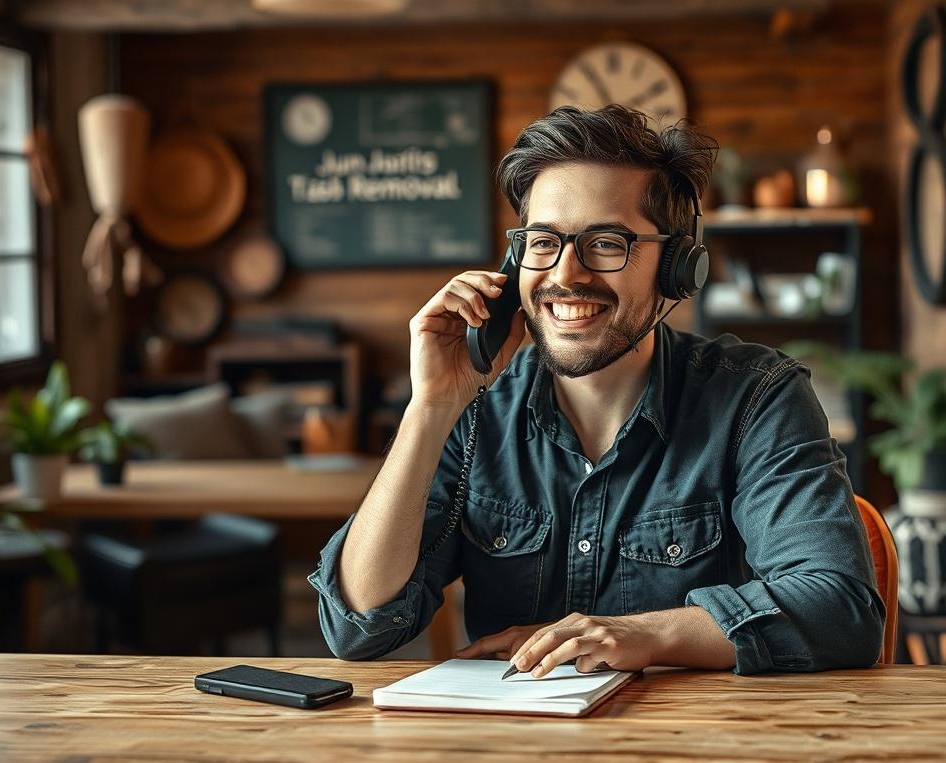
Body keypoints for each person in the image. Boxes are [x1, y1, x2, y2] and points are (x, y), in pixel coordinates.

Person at [309, 105, 885, 675]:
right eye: (543, 242)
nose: (565, 274)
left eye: (607, 242)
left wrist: (643, 634)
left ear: (678, 269)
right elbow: (358, 625)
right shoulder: (473, 408)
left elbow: (839, 609)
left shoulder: (756, 399)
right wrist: (430, 407)